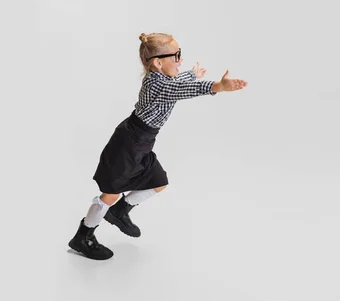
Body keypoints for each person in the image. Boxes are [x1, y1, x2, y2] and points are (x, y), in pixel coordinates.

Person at [68, 32, 248, 260]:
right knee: (110, 193)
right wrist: (217, 86)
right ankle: (83, 236)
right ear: (158, 62)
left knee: (158, 182)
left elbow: (176, 83)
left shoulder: (162, 79)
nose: (180, 60)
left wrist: (192, 74)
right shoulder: (156, 85)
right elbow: (177, 90)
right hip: (128, 144)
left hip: (142, 142)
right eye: (176, 55)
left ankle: (120, 211)